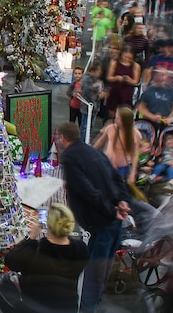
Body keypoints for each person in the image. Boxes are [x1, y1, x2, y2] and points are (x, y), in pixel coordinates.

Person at [56, 122, 131, 313]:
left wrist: (109, 211)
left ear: (63, 138)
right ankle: (95, 300)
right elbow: (116, 177)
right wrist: (122, 200)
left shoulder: (71, 158)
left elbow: (88, 191)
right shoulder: (94, 151)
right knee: (103, 266)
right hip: (114, 221)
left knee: (94, 269)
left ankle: (87, 306)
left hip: (101, 222)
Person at [0, 203, 89, 313]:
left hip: (34, 307)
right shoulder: (81, 249)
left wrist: (31, 237)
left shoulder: (34, 250)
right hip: (66, 307)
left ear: (49, 226)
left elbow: (10, 260)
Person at [92, 106, 142, 183]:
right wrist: (91, 150)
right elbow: (101, 140)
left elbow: (135, 154)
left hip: (122, 167)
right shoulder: (110, 128)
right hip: (107, 163)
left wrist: (132, 173)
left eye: (118, 118)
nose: (115, 119)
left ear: (124, 121)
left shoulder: (135, 134)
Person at [105, 45, 141, 117]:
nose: (127, 59)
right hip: (115, 91)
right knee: (112, 113)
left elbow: (136, 81)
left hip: (127, 92)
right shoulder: (114, 63)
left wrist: (130, 80)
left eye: (129, 58)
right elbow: (109, 77)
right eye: (125, 57)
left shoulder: (136, 66)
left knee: (124, 114)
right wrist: (117, 78)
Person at [79, 62, 106, 143]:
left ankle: (88, 140)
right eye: (98, 71)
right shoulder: (86, 78)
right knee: (85, 126)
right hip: (86, 107)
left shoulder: (98, 80)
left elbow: (101, 90)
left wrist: (101, 93)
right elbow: (85, 89)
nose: (100, 73)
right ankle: (83, 141)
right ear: (93, 71)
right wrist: (94, 87)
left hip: (95, 107)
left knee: (91, 126)